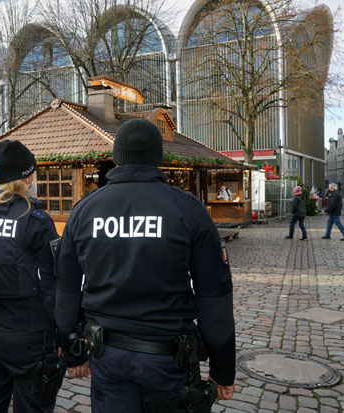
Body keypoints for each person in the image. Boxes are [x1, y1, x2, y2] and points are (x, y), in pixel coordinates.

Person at [55, 118, 236, 413]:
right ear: (159, 157)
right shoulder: (188, 209)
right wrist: (223, 368)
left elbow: (65, 289)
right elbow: (214, 298)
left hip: (109, 357)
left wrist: (72, 350)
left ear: (116, 157)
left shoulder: (85, 211)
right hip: (168, 361)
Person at [0, 140, 65, 412]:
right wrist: (65, 335)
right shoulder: (35, 220)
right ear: (28, 177)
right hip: (30, 338)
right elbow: (55, 283)